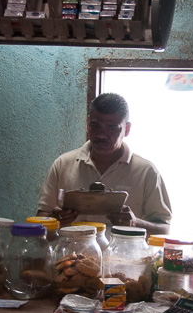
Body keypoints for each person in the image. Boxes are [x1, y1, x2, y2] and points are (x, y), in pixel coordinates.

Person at [37, 92, 172, 234]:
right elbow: (41, 218)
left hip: (124, 255)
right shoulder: (62, 164)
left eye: (112, 127)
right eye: (95, 126)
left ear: (127, 129)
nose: (101, 135)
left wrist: (135, 222)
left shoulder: (146, 172)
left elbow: (164, 229)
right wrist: (54, 219)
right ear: (88, 125)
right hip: (71, 255)